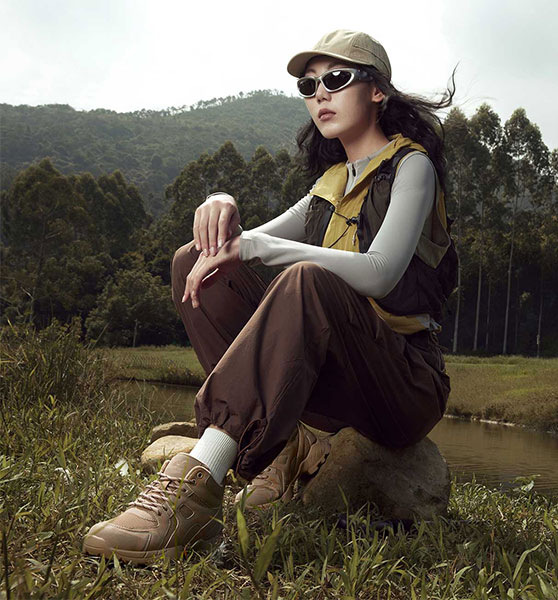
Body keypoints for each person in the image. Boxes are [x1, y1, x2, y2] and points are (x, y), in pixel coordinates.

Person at [83, 29, 458, 564]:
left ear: (377, 90)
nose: (320, 93)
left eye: (336, 79)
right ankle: (280, 445)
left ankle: (199, 481)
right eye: (309, 86)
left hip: (403, 383)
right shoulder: (329, 184)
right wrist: (222, 201)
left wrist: (260, 246)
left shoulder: (411, 166)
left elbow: (380, 273)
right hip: (340, 383)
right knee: (196, 262)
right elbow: (241, 247)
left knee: (305, 279)